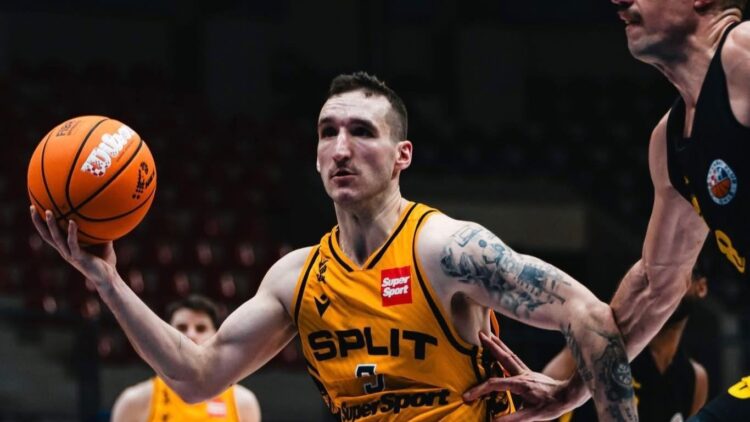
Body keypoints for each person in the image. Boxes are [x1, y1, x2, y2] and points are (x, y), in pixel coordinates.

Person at [30, 72, 637, 421]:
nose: (341, 148)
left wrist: (571, 395)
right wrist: (107, 281)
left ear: (402, 155)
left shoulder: (447, 248)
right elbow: (197, 377)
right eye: (328, 133)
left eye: (362, 132)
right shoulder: (296, 278)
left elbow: (590, 317)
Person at [463, 0, 750, 420]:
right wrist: (571, 391)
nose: (619, 1)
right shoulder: (670, 144)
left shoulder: (743, 54)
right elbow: (655, 286)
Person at [549, 265, 709, 422]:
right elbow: (543, 400)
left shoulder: (696, 379)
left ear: (700, 287)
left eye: (678, 273)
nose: (667, 283)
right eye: (662, 274)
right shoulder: (600, 343)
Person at [111, 295, 261, 422]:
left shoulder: (242, 402)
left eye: (201, 328)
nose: (191, 335)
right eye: (181, 328)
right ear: (166, 335)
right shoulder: (135, 401)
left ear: (216, 336)